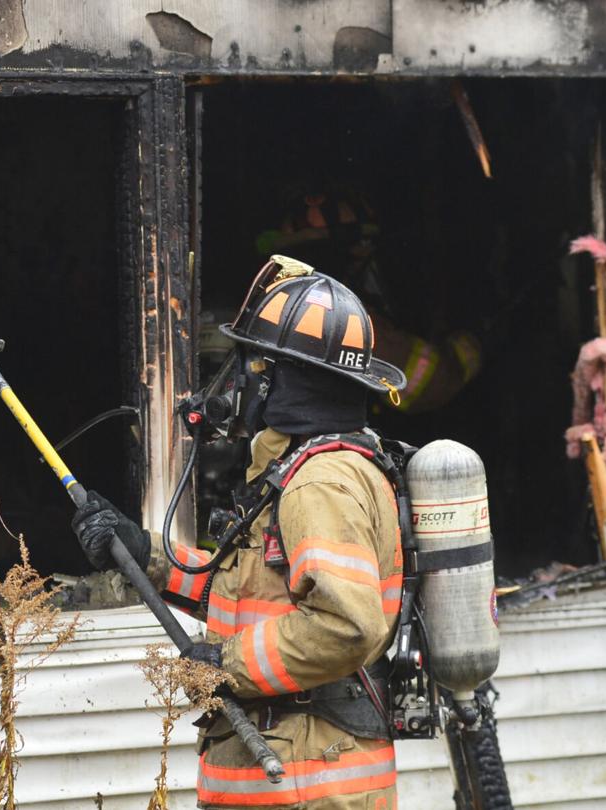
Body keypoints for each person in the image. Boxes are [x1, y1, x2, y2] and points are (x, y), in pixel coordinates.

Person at [73, 257, 406, 808]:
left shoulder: (319, 484)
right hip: (286, 778)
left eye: (249, 363)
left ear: (280, 378)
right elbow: (249, 595)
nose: (236, 381)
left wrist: (226, 665)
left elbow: (346, 625)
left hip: (307, 786)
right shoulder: (297, 472)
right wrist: (142, 553)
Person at [257, 187, 481, 414]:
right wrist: (470, 343)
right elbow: (428, 385)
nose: (366, 253)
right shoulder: (345, 319)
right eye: (363, 244)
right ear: (347, 250)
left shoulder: (269, 302)